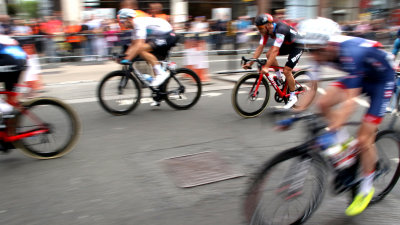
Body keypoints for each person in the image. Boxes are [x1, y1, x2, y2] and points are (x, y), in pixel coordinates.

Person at [295, 17, 395, 216]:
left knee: (364, 139)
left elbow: (350, 102)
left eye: (316, 50)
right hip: (360, 76)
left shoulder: (351, 53)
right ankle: (345, 145)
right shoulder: (320, 51)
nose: (313, 56)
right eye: (309, 50)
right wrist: (294, 112)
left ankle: (366, 188)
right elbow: (314, 90)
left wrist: (331, 130)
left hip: (381, 82)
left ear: (329, 45)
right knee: (323, 104)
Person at [117, 9, 178, 106]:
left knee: (141, 49)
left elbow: (139, 45)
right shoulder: (134, 28)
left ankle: (161, 74)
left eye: (122, 21)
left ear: (128, 19)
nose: (122, 24)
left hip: (168, 35)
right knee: (151, 59)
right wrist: (124, 56)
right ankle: (159, 95)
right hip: (160, 37)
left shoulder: (138, 23)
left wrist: (128, 59)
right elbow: (133, 45)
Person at [242, 13, 303, 109]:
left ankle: (293, 96)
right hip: (287, 44)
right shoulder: (266, 32)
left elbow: (275, 50)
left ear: (268, 25)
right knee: (268, 54)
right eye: (258, 28)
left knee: (287, 71)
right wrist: (251, 63)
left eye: (260, 28)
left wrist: (266, 67)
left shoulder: (280, 29)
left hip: (297, 46)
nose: (259, 31)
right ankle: (279, 78)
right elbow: (260, 48)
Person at [0, 35, 27, 115]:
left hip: (10, 60)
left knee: (6, 106)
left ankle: (5, 109)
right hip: (19, 61)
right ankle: (9, 122)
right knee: (10, 98)